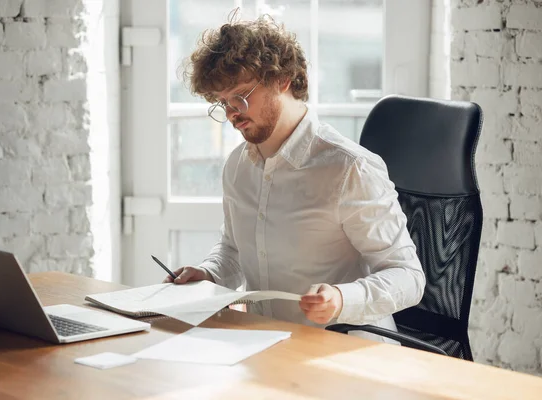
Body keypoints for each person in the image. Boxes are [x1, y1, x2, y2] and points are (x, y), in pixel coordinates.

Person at [163, 14, 425, 342]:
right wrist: (209, 272)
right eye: (223, 102)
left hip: (345, 349)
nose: (232, 114)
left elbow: (409, 277)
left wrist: (343, 299)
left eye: (241, 96)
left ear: (282, 79)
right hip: (267, 344)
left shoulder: (348, 169)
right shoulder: (238, 166)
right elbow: (234, 249)